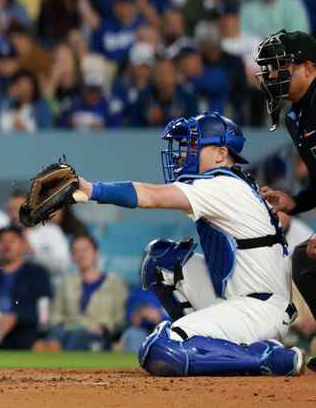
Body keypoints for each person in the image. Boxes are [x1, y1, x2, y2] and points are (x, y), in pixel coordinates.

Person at [69, 112, 302, 376]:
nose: (183, 153)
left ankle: (265, 356)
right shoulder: (229, 182)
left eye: (194, 145)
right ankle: (209, 345)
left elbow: (153, 196)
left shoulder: (222, 185)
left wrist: (91, 190)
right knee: (162, 261)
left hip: (259, 310)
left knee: (160, 349)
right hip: (243, 299)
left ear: (221, 154)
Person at [254, 30, 316, 371]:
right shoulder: (298, 116)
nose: (273, 76)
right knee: (305, 263)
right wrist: (295, 202)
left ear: (308, 68)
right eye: (270, 69)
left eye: (281, 67)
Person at [36, 234, 127, 352]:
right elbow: (55, 314)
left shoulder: (115, 282)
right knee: (58, 333)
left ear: (96, 253)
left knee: (79, 335)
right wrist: (62, 325)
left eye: (86, 249)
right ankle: (47, 353)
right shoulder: (66, 283)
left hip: (98, 334)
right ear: (72, 257)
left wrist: (103, 327)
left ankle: (58, 359)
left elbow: (120, 317)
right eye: (76, 251)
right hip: (68, 329)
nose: (81, 254)